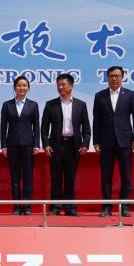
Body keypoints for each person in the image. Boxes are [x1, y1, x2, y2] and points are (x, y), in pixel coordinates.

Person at [93, 65, 134, 217]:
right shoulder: (100, 96)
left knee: (126, 175)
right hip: (106, 141)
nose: (114, 78)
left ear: (122, 77)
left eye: (117, 76)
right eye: (111, 76)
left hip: (125, 141)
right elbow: (96, 120)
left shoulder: (130, 94)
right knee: (106, 176)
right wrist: (96, 141)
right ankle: (106, 207)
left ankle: (124, 206)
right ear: (107, 78)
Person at [41, 72, 90, 216]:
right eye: (58, 85)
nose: (60, 87)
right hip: (56, 145)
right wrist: (46, 144)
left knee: (70, 178)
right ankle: (55, 208)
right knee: (56, 178)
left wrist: (85, 144)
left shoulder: (81, 105)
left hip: (73, 146)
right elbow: (44, 127)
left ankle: (70, 208)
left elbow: (86, 128)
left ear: (71, 86)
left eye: (63, 84)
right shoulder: (51, 104)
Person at [0, 75, 40, 215]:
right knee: (15, 178)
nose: (22, 88)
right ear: (14, 87)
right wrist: (3, 145)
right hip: (12, 145)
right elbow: (3, 127)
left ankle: (27, 207)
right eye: (19, 85)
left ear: (28, 88)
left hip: (28, 145)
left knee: (28, 177)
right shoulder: (7, 105)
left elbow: (37, 126)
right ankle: (16, 206)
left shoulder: (33, 105)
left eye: (24, 85)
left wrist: (36, 144)